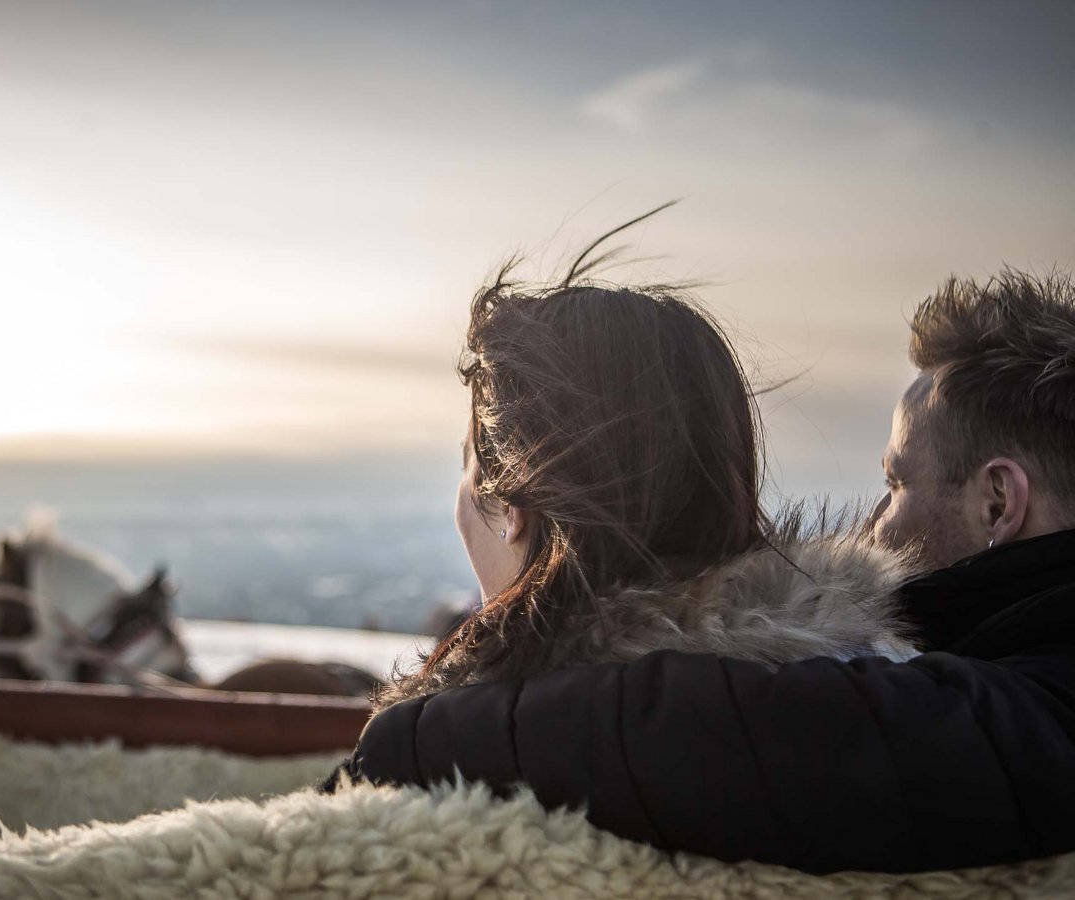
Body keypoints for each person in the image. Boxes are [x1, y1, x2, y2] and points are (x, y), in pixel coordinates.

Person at [330, 267, 1075, 875]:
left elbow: (795, 736)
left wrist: (419, 735)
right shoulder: (929, 676)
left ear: (1000, 500)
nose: (877, 525)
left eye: (896, 484)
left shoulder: (1016, 709)